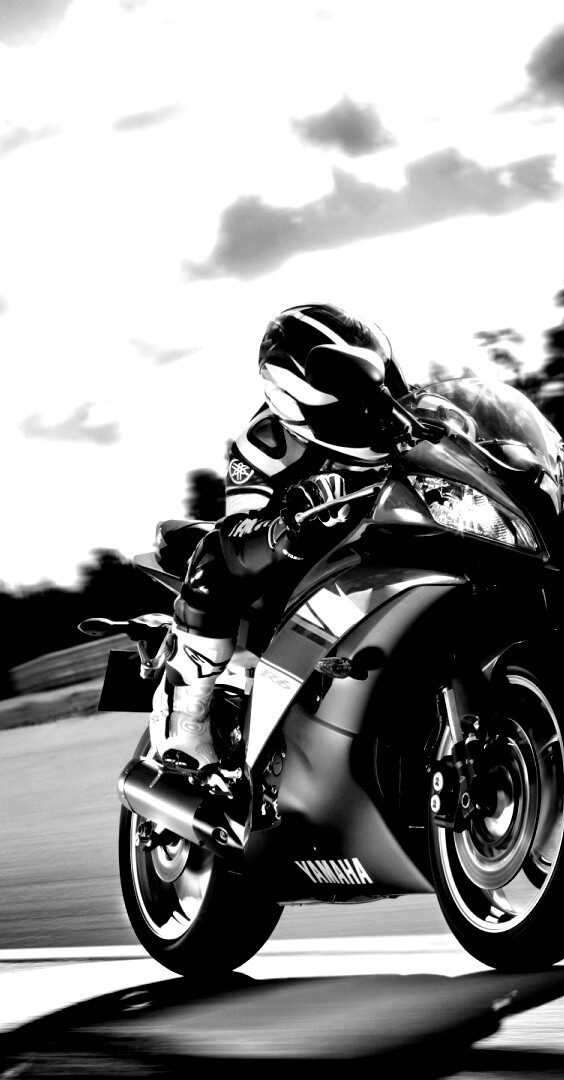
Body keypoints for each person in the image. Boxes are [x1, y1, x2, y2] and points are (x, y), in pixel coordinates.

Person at [148, 302, 410, 773]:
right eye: (346, 397)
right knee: (215, 555)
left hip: (379, 558)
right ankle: (186, 720)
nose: (366, 407)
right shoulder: (264, 444)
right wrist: (291, 525)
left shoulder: (404, 413)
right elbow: (240, 531)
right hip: (288, 581)